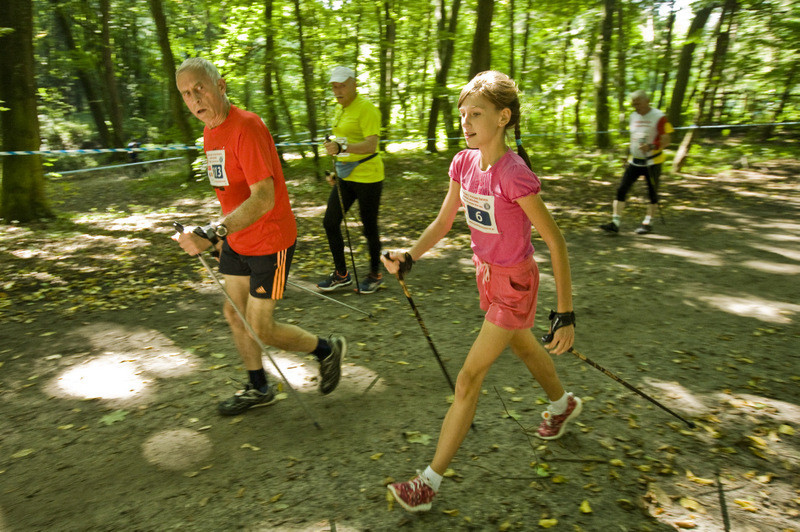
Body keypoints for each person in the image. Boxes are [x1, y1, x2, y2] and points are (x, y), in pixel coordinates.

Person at [383, 71, 581, 513]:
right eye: (462, 114)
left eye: (476, 114)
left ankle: (428, 483)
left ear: (503, 117)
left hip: (514, 284)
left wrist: (565, 313)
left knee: (468, 378)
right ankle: (563, 404)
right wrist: (410, 255)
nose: (466, 122)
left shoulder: (514, 175)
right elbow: (443, 221)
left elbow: (555, 241)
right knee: (524, 345)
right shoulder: (463, 163)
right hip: (486, 276)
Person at [172, 57, 346, 415]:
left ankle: (326, 350)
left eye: (200, 88)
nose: (194, 99)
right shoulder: (210, 132)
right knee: (235, 313)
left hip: (270, 239)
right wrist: (221, 238)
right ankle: (258, 387)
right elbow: (230, 193)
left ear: (220, 86)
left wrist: (214, 232)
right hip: (237, 238)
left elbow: (263, 198)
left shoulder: (246, 127)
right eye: (186, 93)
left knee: (261, 328)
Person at [316, 66, 385, 294]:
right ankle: (342, 274)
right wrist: (338, 169)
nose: (338, 91)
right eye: (334, 87)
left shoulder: (366, 109)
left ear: (354, 84)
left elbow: (371, 145)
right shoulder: (340, 109)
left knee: (369, 226)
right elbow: (343, 144)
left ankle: (374, 274)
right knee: (330, 222)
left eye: (342, 86)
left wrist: (341, 148)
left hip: (369, 177)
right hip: (347, 176)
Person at [600, 90, 673, 235]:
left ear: (647, 101)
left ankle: (647, 222)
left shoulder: (659, 116)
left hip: (652, 161)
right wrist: (627, 155)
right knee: (621, 189)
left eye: (638, 104)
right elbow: (633, 138)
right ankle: (615, 223)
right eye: (633, 104)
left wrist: (651, 146)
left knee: (652, 192)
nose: (635, 107)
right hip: (634, 161)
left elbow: (666, 140)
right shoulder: (633, 116)